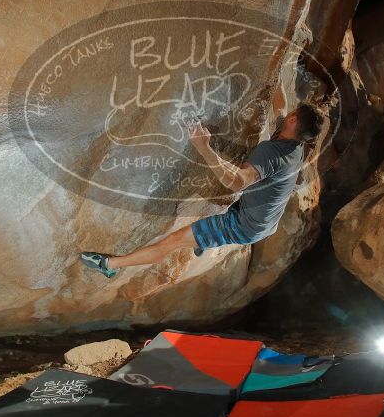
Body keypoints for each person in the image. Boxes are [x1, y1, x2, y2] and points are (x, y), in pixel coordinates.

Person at [79, 87, 322, 278]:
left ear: (293, 121)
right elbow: (279, 106)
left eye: (293, 113)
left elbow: (236, 183)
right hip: (265, 221)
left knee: (173, 242)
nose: (288, 113)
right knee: (205, 225)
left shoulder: (271, 153)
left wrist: (203, 147)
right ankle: (202, 241)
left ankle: (109, 265)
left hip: (244, 226)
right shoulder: (297, 146)